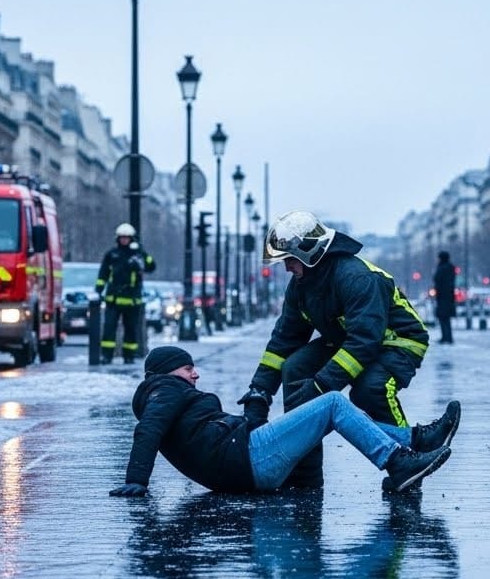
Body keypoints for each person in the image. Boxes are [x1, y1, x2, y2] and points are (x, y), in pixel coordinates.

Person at [240, 210, 446, 489]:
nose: (286, 267)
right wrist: (260, 391)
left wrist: (321, 385)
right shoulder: (301, 286)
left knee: (369, 389)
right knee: (296, 368)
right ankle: (305, 473)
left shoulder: (356, 277)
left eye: (289, 259)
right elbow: (284, 340)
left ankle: (407, 462)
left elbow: (364, 342)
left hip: (397, 340)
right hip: (349, 339)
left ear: (308, 253)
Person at [109, 346, 458, 496]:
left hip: (244, 464)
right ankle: (399, 462)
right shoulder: (164, 390)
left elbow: (227, 436)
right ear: (169, 371)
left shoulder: (170, 394)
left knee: (326, 413)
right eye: (188, 369)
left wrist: (255, 406)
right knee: (332, 403)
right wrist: (136, 480)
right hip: (247, 461)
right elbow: (148, 429)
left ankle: (413, 441)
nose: (195, 374)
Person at [95, 223, 156, 364]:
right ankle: (107, 356)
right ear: (118, 238)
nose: (124, 240)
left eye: (127, 237)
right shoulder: (112, 254)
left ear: (132, 238)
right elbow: (103, 274)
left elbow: (151, 266)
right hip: (113, 300)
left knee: (131, 330)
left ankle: (129, 356)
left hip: (132, 301)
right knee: (109, 328)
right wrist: (98, 290)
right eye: (122, 237)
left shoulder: (138, 255)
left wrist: (142, 253)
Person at [433, 251, 457, 344]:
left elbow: (436, 279)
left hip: (443, 296)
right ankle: (447, 337)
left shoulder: (442, 268)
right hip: (448, 297)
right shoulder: (450, 268)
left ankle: (446, 337)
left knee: (443, 318)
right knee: (446, 318)